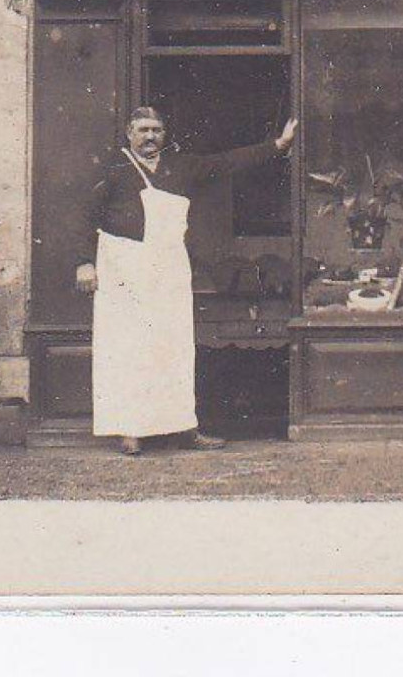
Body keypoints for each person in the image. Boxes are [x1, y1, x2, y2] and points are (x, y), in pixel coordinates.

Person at [76, 108, 298, 455]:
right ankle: (129, 429)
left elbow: (226, 162)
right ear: (129, 133)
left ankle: (183, 428)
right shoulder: (114, 168)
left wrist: (278, 145)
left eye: (157, 130)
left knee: (174, 347)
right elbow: (86, 217)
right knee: (127, 348)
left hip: (168, 266)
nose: (150, 136)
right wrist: (84, 263)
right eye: (143, 130)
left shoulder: (179, 166)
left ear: (164, 134)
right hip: (123, 267)